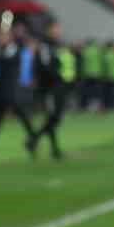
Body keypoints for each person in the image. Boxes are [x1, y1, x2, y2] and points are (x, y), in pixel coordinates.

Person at [0, 20, 38, 150]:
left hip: (12, 90)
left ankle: (33, 135)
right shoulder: (0, 50)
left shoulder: (14, 49)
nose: (1, 38)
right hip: (2, 90)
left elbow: (6, 61)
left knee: (21, 115)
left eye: (3, 36)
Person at [29, 20, 73, 159]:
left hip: (57, 86)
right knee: (54, 116)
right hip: (49, 87)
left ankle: (37, 141)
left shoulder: (56, 45)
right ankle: (41, 143)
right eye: (55, 29)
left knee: (53, 117)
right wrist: (57, 75)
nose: (58, 32)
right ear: (49, 30)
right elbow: (44, 65)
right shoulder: (45, 46)